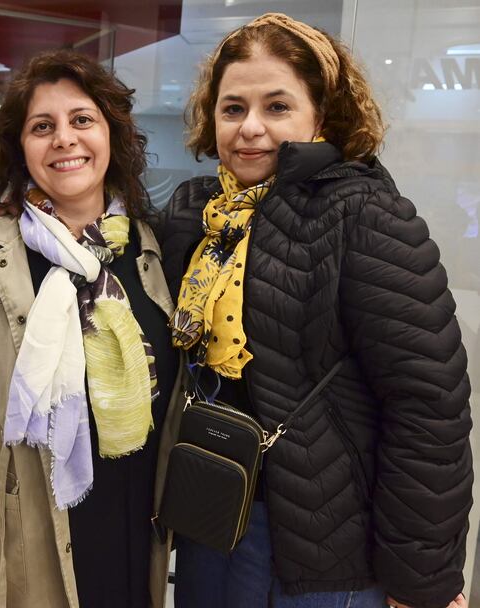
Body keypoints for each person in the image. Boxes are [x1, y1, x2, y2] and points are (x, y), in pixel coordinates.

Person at [159, 13, 471, 608]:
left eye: (277, 107)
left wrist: (420, 579)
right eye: (232, 109)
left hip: (328, 549)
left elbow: (428, 409)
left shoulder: (366, 216)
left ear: (321, 116)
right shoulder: (196, 215)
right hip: (216, 512)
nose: (250, 129)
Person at [0, 49, 181, 608]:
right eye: (42, 126)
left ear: (112, 137)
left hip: (133, 527)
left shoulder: (152, 251)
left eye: (82, 120)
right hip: (24, 539)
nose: (64, 139)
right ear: (19, 148)